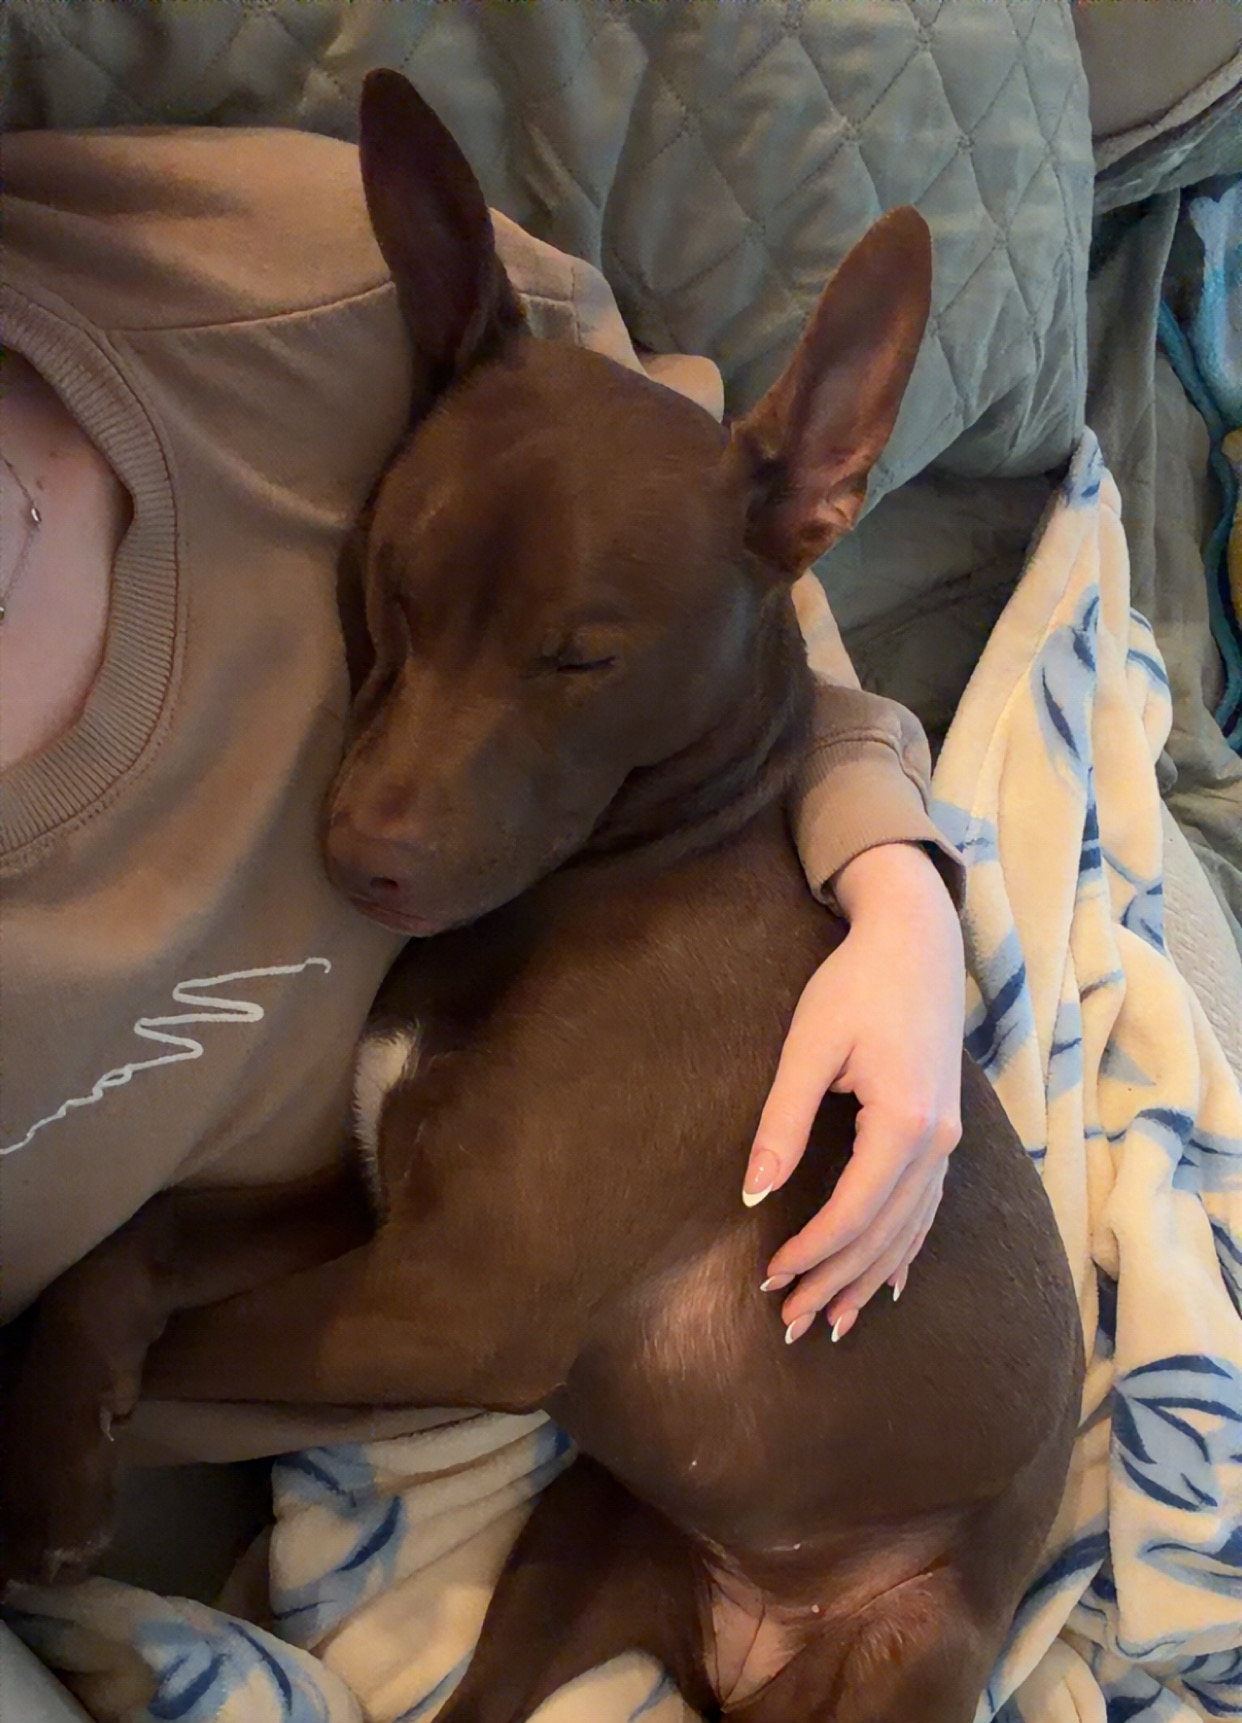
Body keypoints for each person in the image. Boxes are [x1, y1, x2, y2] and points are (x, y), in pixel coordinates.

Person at [0, 120, 965, 1485]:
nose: (374, 827)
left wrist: (898, 887)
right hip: (336, 1339)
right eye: (402, 606)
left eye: (568, 663)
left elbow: (717, 575)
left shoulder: (289, 283)